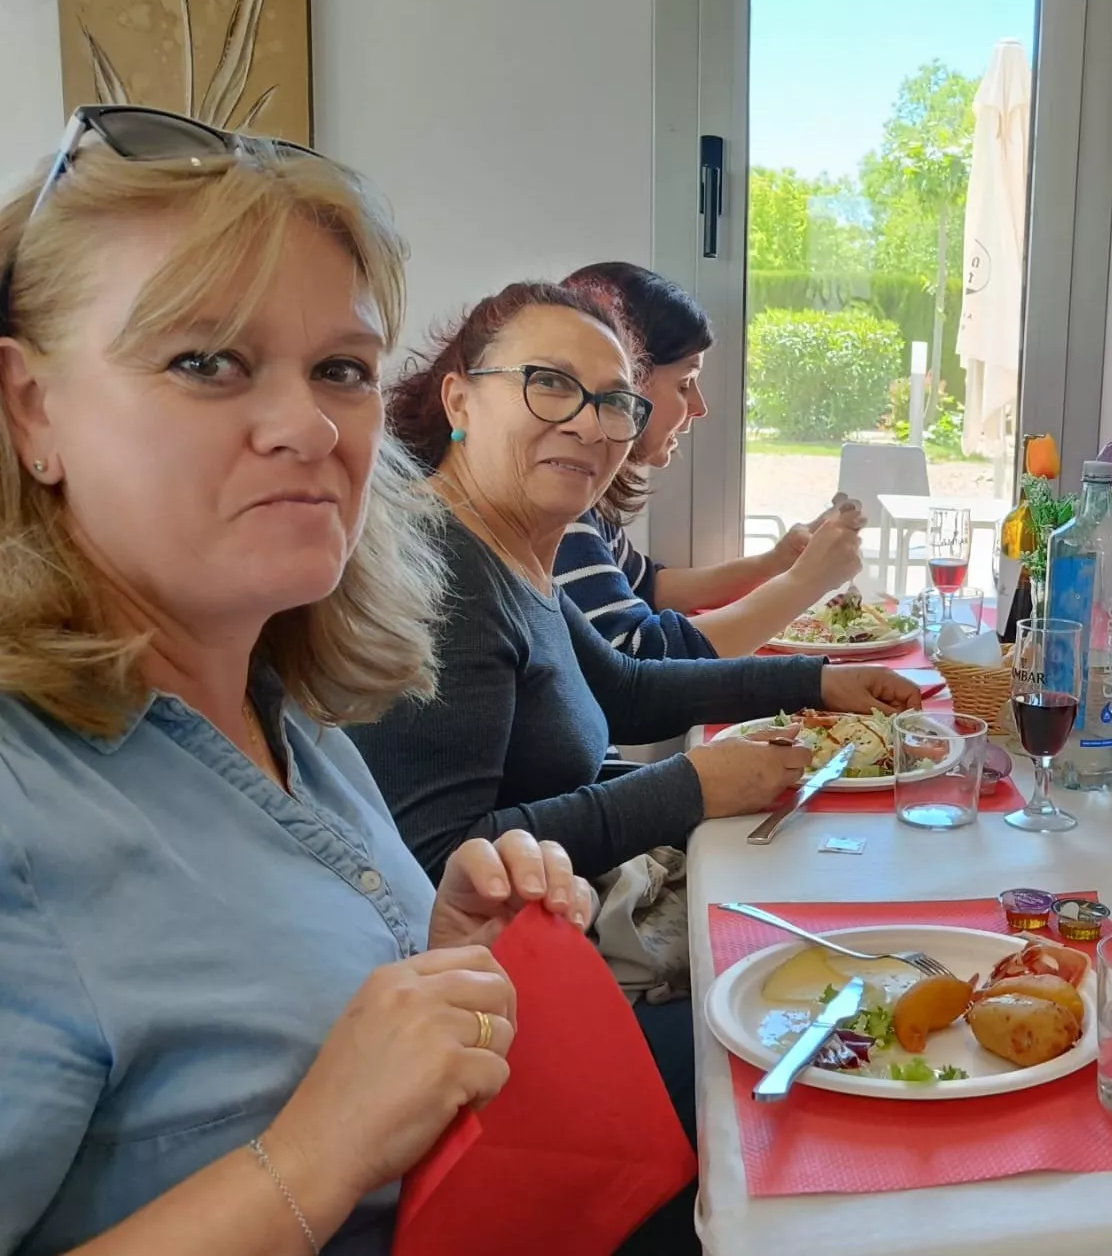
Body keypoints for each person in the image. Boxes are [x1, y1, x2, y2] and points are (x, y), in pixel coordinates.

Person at [0, 106, 596, 1253]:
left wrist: (440, 951)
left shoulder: (284, 708)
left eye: (342, 369)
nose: (310, 425)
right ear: (34, 409)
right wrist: (313, 1157)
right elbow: (317, 1123)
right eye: (205, 361)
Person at [349, 280, 919, 883]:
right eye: (549, 382)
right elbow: (439, 863)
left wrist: (818, 682)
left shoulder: (507, 551)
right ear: (459, 400)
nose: (590, 426)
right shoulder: (444, 577)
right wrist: (690, 787)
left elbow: (625, 689)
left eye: (615, 402)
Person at [553, 261, 866, 658]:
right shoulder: (559, 508)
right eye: (684, 383)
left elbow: (647, 587)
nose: (699, 406)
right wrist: (804, 584)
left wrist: (778, 562)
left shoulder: (588, 501)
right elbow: (638, 660)